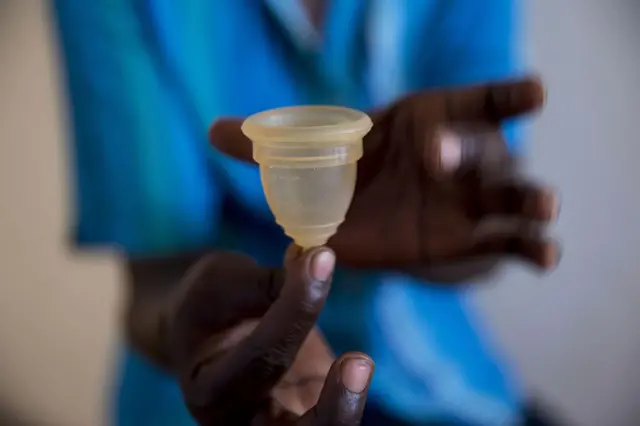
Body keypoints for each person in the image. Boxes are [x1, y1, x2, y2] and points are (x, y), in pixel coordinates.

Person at [50, 1, 562, 425]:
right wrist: (202, 327)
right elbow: (154, 277)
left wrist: (459, 219)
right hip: (219, 400)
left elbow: (479, 230)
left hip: (444, 390)